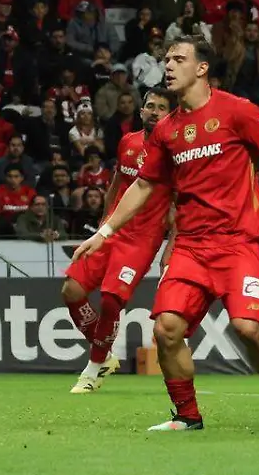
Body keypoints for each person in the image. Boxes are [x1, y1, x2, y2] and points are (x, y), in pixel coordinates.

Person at [72, 36, 259, 431]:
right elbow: (143, 186)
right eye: (166, 59)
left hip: (238, 243)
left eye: (178, 59)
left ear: (201, 68)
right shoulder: (166, 130)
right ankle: (187, 415)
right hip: (191, 249)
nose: (168, 65)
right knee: (166, 328)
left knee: (247, 327)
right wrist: (105, 231)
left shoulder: (236, 110)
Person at [61, 88, 175, 394]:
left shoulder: (176, 153)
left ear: (171, 114)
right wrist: (102, 227)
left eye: (161, 107)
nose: (153, 111)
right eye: (149, 105)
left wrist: (171, 246)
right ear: (140, 111)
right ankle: (106, 353)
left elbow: (180, 205)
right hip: (111, 231)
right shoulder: (128, 142)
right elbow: (116, 186)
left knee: (111, 299)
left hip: (142, 240)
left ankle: (93, 369)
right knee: (71, 290)